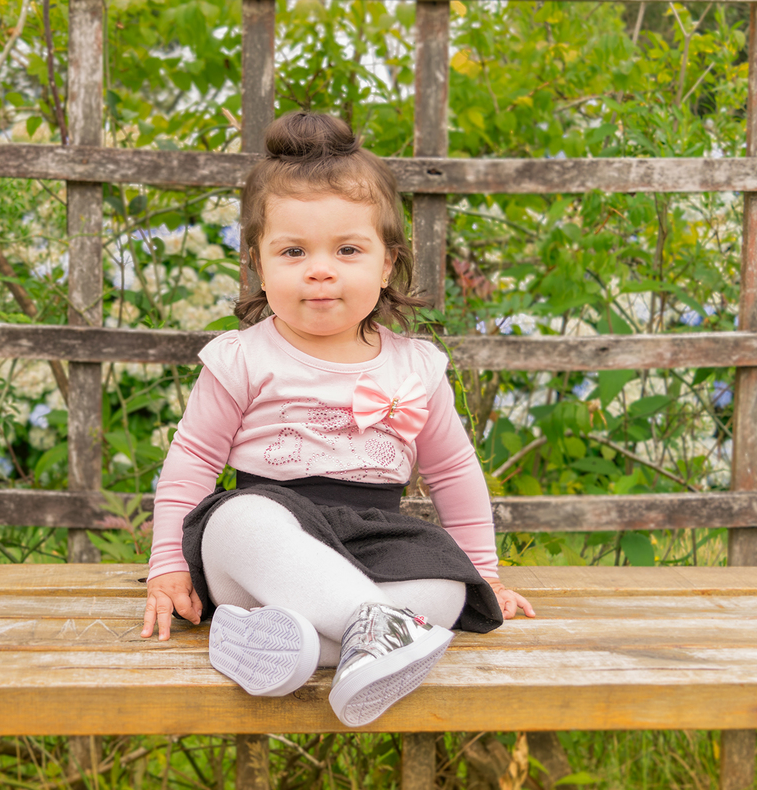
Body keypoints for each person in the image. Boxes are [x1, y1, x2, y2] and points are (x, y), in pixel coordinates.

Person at [139, 111, 535, 728]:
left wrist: (484, 572)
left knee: (450, 589)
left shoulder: (416, 366)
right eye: (293, 251)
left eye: (348, 249)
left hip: (375, 539)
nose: (320, 269)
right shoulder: (241, 357)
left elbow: (455, 473)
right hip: (266, 547)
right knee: (236, 521)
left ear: (385, 263)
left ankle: (288, 649)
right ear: (257, 264)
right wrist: (167, 563)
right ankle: (371, 628)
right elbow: (191, 461)